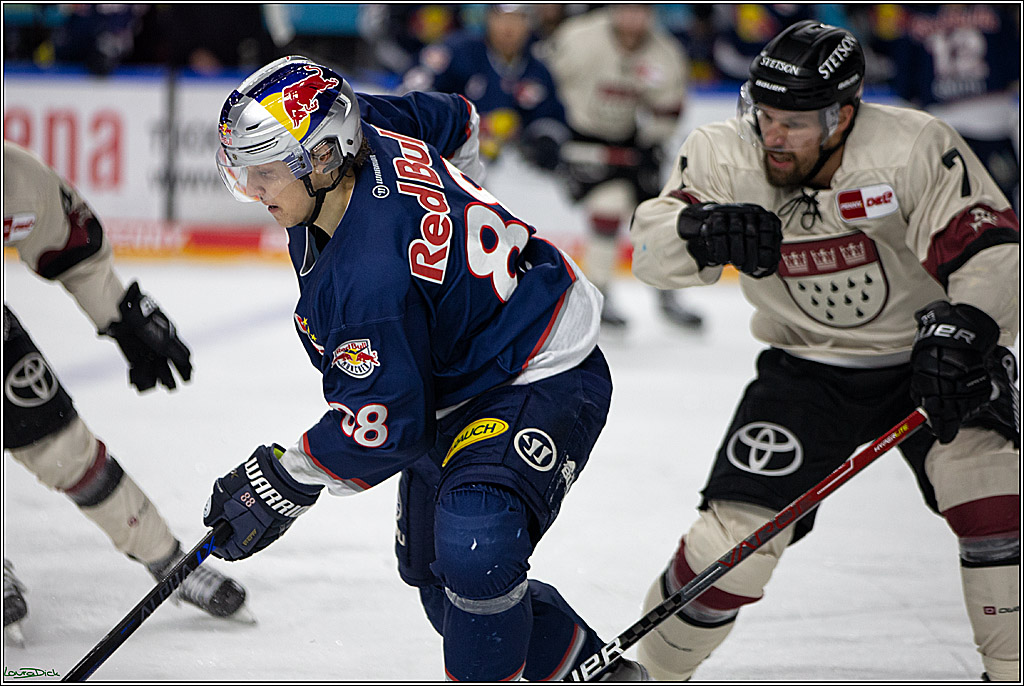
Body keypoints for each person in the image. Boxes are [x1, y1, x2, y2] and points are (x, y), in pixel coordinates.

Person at [203, 55, 647, 681]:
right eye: (245, 174)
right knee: (443, 581)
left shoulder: (369, 282)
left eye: (267, 174)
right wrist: (451, 221)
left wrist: (282, 477)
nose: (255, 193)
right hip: (451, 380)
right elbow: (460, 122)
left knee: (477, 544)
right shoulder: (369, 124)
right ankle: (599, 673)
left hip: (539, 364)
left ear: (326, 158)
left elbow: (385, 427)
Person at [628, 20, 1019, 681]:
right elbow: (651, 249)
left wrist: (968, 327)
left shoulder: (914, 146)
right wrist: (701, 231)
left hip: (928, 360)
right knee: (731, 545)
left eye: (795, 123)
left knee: (995, 499)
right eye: (765, 115)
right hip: (805, 369)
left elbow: (991, 249)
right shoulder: (725, 154)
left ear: (843, 116)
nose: (773, 137)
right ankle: (654, 674)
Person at [2, 141, 252, 644]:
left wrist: (123, 318)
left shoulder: (11, 175)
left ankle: (167, 560)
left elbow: (70, 241)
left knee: (60, 445)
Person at [545, 4, 703, 330]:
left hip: (631, 144)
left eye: (641, 10)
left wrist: (650, 140)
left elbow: (668, 110)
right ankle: (598, 293)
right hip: (581, 141)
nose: (633, 18)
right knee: (608, 206)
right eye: (626, 8)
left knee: (657, 216)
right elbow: (545, 85)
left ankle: (666, 291)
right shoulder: (577, 39)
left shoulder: (664, 52)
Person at [877, 4, 1020, 213]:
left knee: (954, 202)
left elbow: (904, 83)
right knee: (1000, 201)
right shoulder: (995, 14)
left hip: (946, 124)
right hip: (990, 119)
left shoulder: (915, 20)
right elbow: (1013, 69)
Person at [401, 4, 569, 172]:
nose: (508, 28)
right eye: (501, 18)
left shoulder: (537, 71)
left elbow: (551, 119)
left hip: (510, 167)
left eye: (518, 19)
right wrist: (460, 125)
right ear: (488, 18)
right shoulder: (456, 51)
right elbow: (410, 94)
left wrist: (540, 141)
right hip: (444, 158)